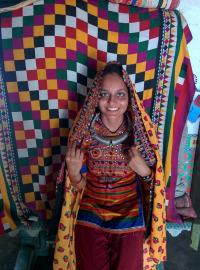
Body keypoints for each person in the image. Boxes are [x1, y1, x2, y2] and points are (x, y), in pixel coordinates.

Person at [53, 62, 166, 270]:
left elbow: (155, 189)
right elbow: (77, 187)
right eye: (105, 94)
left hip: (130, 215)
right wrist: (73, 173)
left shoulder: (141, 136)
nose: (112, 102)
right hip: (90, 213)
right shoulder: (83, 135)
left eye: (120, 94)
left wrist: (146, 173)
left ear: (129, 97)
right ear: (96, 98)